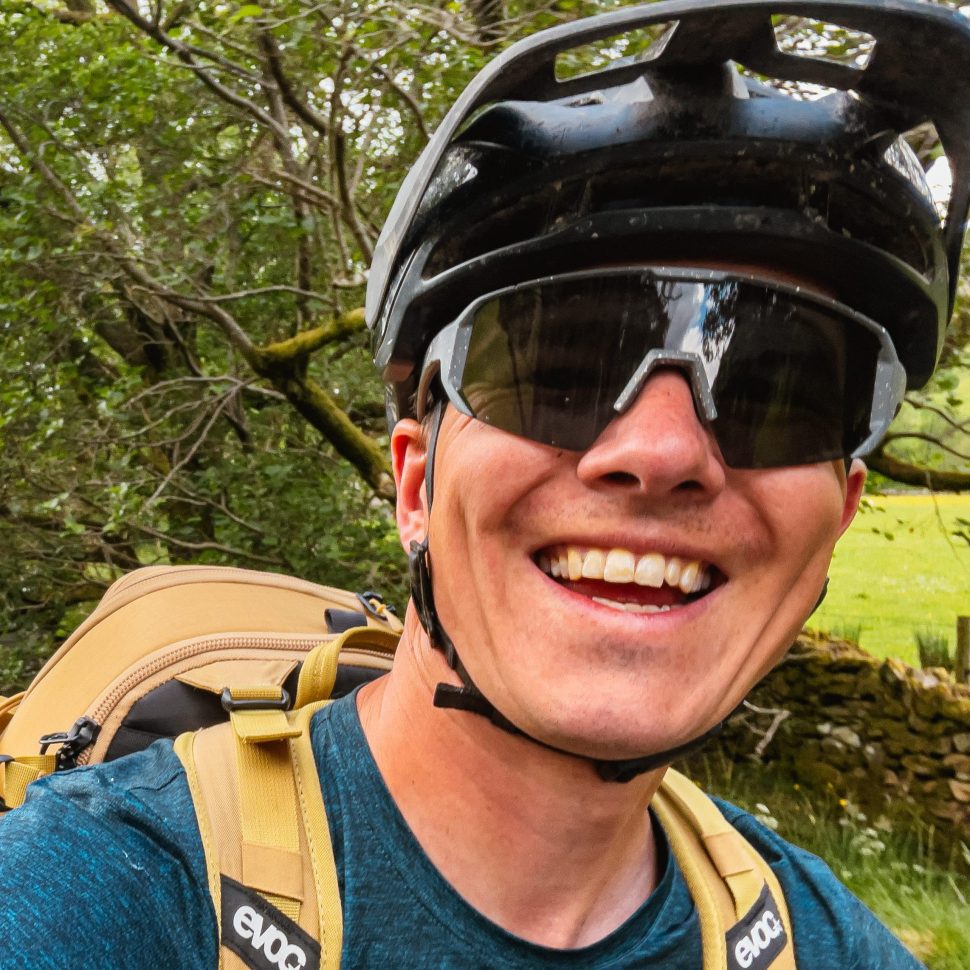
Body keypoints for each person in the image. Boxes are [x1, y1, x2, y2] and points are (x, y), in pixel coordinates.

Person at [2, 1, 969, 967]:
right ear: (416, 488)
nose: (664, 452)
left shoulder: (822, 942)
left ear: (836, 519)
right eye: (559, 369)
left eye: (775, 391)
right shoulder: (108, 891)